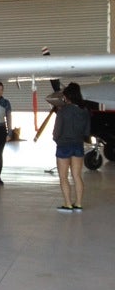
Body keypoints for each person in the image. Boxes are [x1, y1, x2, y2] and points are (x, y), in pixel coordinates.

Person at [52, 82, 92, 211]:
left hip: (64, 146)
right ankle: (79, 204)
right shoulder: (85, 111)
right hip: (78, 146)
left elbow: (56, 131)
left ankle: (68, 204)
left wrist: (56, 139)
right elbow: (87, 131)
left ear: (67, 97)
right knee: (77, 176)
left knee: (63, 177)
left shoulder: (63, 111)